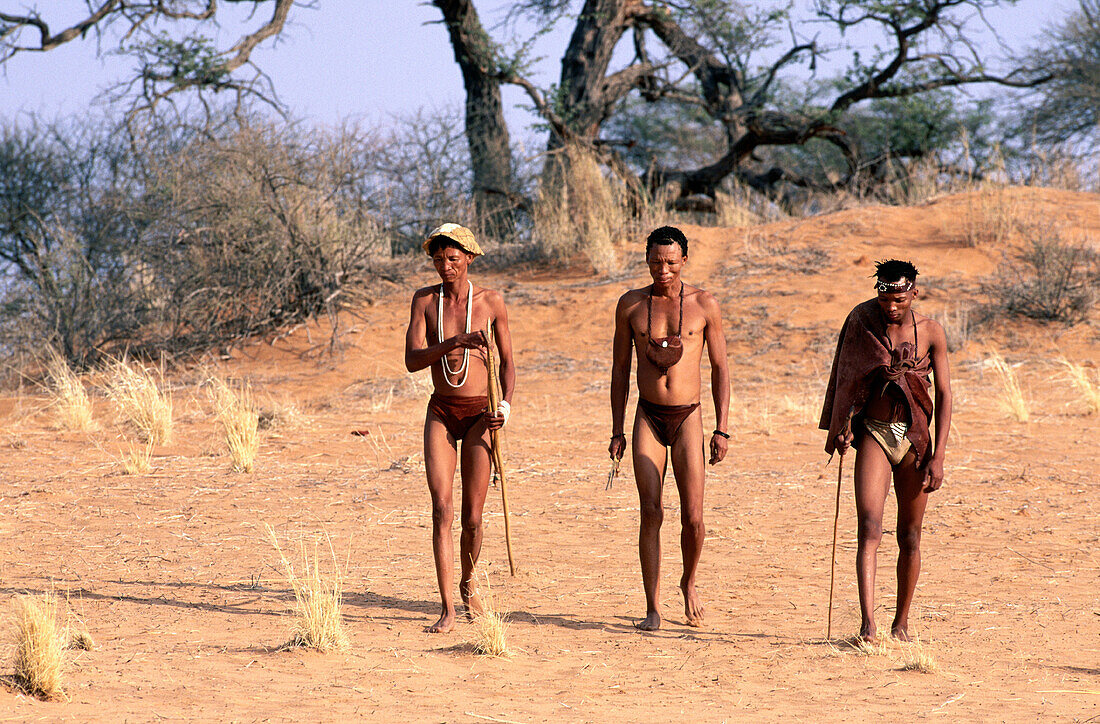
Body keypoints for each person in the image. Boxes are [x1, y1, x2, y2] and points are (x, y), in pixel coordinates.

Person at [819, 259, 953, 642]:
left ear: (913, 293)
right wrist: (843, 424)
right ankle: (868, 625)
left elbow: (943, 395)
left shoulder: (931, 332)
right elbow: (848, 378)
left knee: (909, 534)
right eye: (884, 299)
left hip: (915, 439)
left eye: (899, 299)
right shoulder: (863, 323)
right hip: (874, 434)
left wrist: (939, 455)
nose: (891, 307)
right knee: (869, 529)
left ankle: (902, 623)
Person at [609, 226, 730, 631]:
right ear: (646, 260)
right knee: (651, 511)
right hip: (647, 415)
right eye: (657, 262)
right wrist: (616, 429)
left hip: (688, 416)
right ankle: (652, 607)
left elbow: (720, 369)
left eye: (672, 262)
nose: (664, 270)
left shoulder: (704, 305)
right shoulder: (630, 304)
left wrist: (722, 428)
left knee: (693, 516)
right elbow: (620, 370)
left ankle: (689, 582)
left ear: (684, 261)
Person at [404, 223, 515, 634]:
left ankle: (469, 584)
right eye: (437, 259)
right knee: (442, 510)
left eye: (452, 259)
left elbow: (509, 363)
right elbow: (413, 360)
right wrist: (453, 343)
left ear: (469, 258)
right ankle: (448, 606)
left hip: (480, 416)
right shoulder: (424, 301)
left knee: (472, 516)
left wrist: (503, 407)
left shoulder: (491, 301)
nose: (444, 266)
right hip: (441, 411)